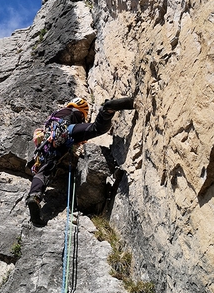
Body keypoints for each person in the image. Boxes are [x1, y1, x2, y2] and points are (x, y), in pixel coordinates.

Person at [26, 96, 135, 225]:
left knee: (43, 172)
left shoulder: (55, 116)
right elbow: (77, 130)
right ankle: (107, 109)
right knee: (97, 128)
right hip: (66, 131)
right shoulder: (75, 113)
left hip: (47, 143)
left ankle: (34, 196)